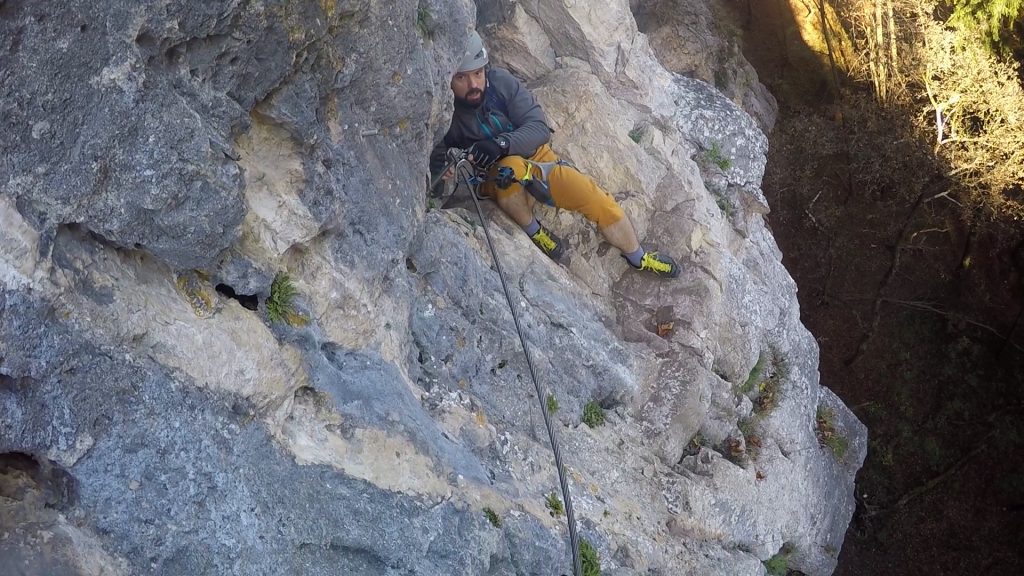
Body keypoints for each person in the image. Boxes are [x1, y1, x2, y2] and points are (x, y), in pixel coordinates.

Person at [429, 31, 679, 278]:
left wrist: (502, 143)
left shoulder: (501, 84)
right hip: (497, 176)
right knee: (509, 171)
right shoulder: (445, 113)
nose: (474, 84)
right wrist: (446, 171)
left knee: (595, 199)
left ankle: (638, 258)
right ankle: (535, 231)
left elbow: (538, 128)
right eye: (462, 77)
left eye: (477, 73)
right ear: (449, 79)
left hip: (537, 157)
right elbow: (435, 171)